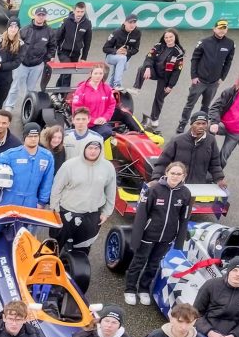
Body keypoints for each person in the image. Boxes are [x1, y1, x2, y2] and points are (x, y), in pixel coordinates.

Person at [123, 161, 194, 305]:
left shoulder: (186, 193)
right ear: (166, 173)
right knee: (139, 262)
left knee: (154, 264)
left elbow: (184, 217)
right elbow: (142, 214)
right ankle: (130, 289)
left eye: (178, 174)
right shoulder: (154, 189)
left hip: (167, 237)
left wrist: (179, 238)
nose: (175, 176)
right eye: (172, 173)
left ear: (183, 176)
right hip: (148, 235)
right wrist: (137, 236)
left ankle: (143, 289)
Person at [49, 132, 116, 258]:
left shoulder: (108, 167)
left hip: (90, 215)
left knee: (82, 250)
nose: (93, 151)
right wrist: (54, 208)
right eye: (90, 148)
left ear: (101, 150)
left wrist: (106, 212)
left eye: (97, 148)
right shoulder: (69, 165)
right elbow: (56, 188)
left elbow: (111, 191)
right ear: (84, 148)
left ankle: (73, 270)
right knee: (54, 247)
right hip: (66, 212)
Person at [184, 20, 237, 128]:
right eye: (219, 28)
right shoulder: (204, 42)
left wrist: (222, 77)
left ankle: (201, 126)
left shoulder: (230, 44)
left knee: (206, 106)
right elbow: (194, 59)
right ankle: (182, 124)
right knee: (190, 105)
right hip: (200, 81)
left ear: (226, 30)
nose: (221, 31)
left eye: (224, 28)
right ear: (214, 29)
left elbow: (228, 62)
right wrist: (194, 76)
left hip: (214, 82)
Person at [159, 114, 227, 186]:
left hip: (198, 185)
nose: (201, 126)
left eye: (204, 124)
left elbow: (215, 163)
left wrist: (219, 179)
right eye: (198, 123)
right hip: (177, 185)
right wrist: (156, 179)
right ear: (191, 124)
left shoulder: (211, 140)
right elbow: (163, 162)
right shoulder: (177, 140)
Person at [137, 31, 184, 124]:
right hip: (154, 71)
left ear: (175, 37)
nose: (168, 39)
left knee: (159, 98)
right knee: (142, 68)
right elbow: (149, 57)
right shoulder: (158, 45)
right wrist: (148, 68)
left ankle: (154, 119)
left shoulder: (178, 53)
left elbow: (177, 71)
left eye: (171, 37)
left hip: (165, 78)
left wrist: (170, 86)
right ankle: (136, 88)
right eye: (166, 37)